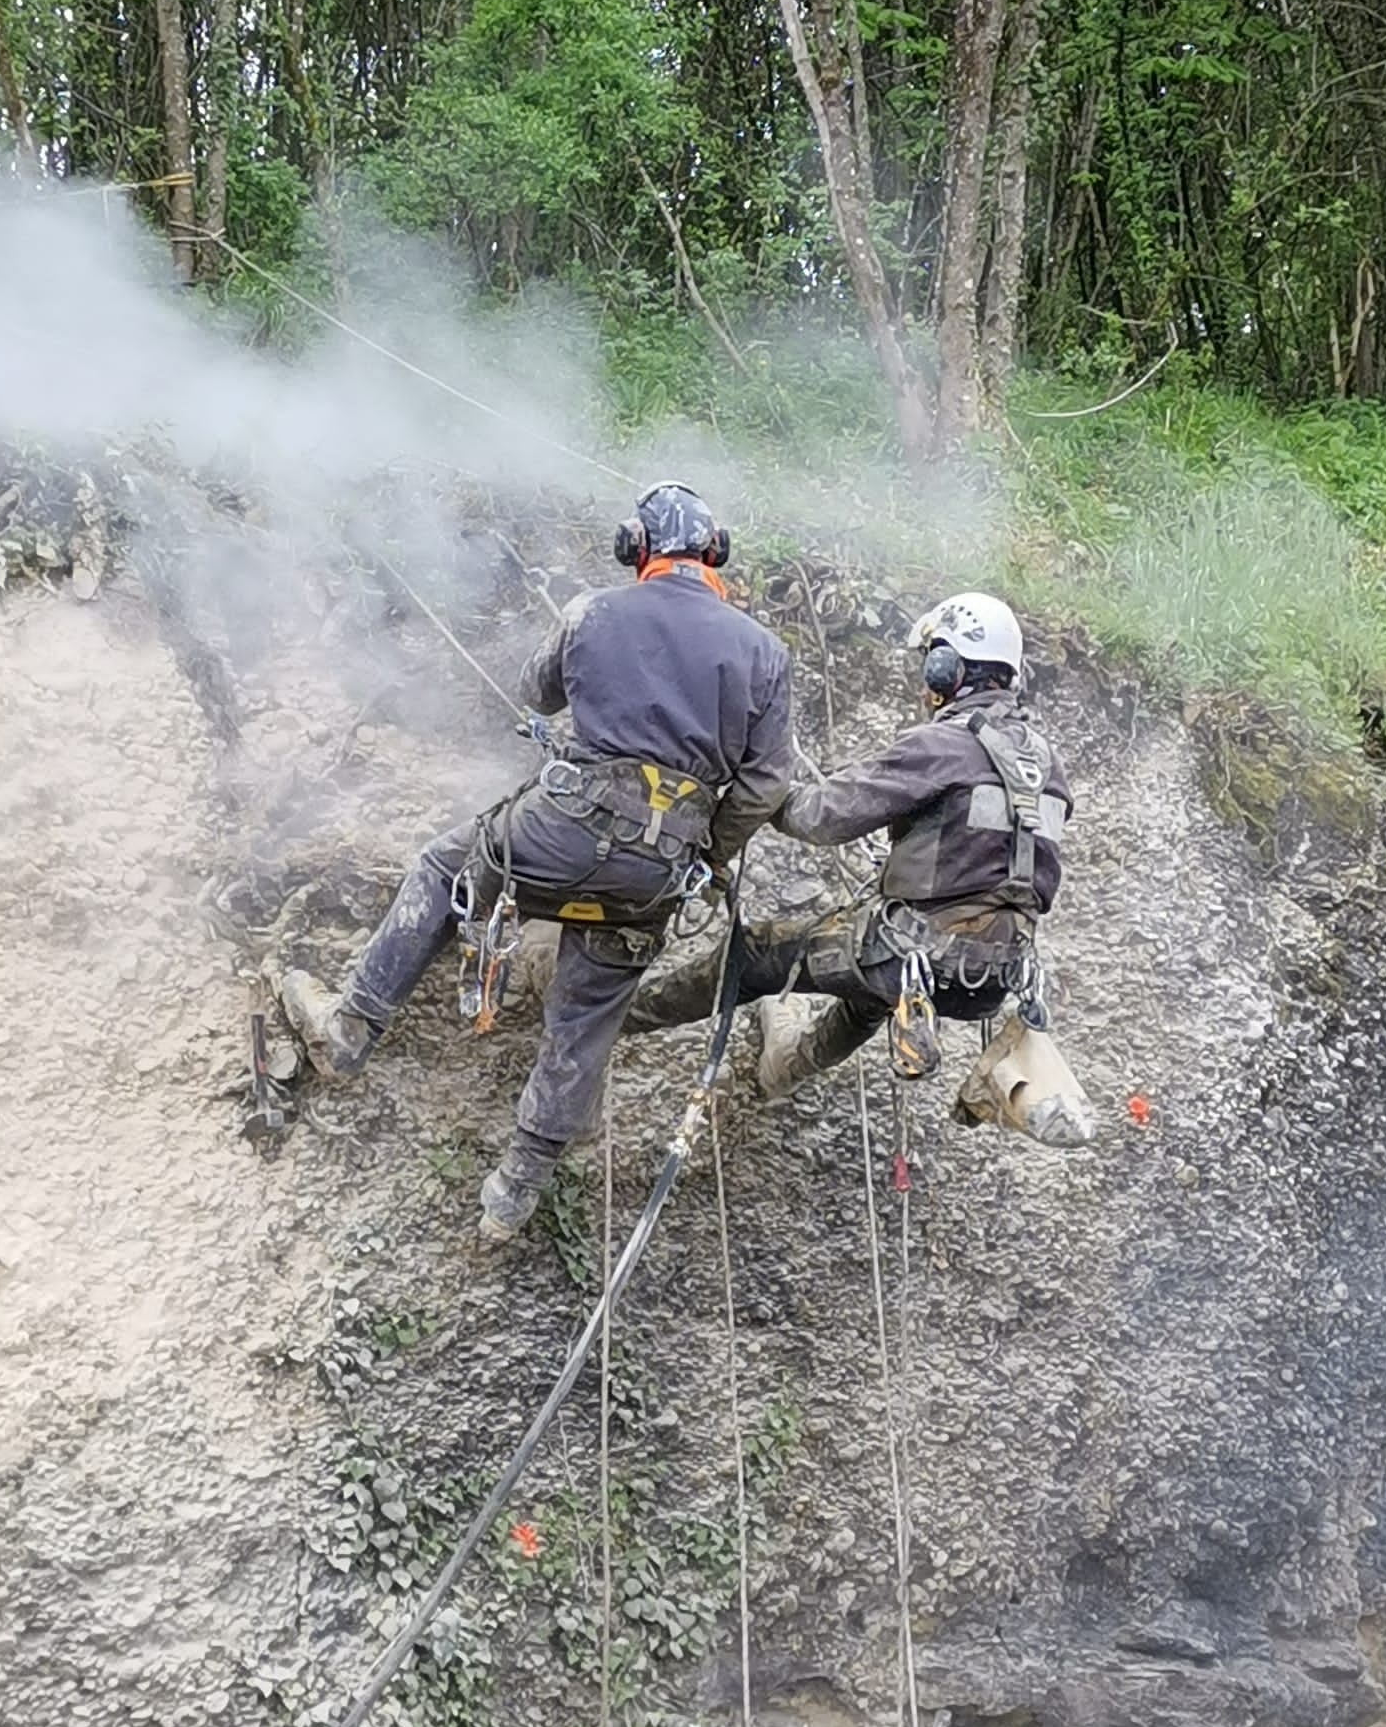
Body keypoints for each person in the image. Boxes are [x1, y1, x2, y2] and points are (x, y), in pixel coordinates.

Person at [279, 483, 794, 1241]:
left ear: (634, 548)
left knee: (443, 869)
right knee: (588, 1012)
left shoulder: (595, 612)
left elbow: (535, 691)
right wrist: (704, 854)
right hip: (656, 870)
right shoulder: (764, 652)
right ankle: (513, 1192)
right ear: (714, 552)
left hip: (555, 832)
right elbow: (765, 784)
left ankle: (351, 1029)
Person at [625, 591, 1089, 1142]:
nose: (926, 682)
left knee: (752, 955)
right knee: (865, 995)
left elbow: (821, 817)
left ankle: (621, 1018)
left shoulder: (943, 745)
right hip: (992, 982)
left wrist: (766, 789)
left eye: (932, 665)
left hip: (909, 960)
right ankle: (785, 1069)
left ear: (950, 668)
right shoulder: (1046, 762)